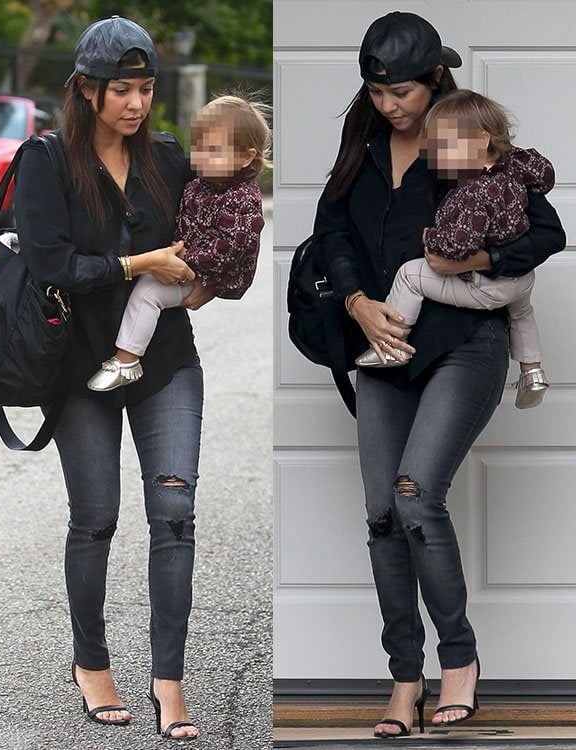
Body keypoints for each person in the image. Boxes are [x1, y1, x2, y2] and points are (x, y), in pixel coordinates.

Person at [311, 11, 565, 738]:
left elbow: (546, 233)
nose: (391, 105)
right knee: (383, 517)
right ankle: (402, 679)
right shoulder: (360, 142)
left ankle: (459, 662)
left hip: (463, 345)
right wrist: (358, 302)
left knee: (417, 495)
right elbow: (331, 231)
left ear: (435, 79)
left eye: (403, 92)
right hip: (384, 352)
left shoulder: (467, 137)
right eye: (377, 91)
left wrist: (473, 264)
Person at [14, 15, 210, 741]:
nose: (137, 103)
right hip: (78, 366)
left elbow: (209, 243)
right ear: (88, 90)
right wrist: (140, 264)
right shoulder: (47, 160)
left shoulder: (167, 155)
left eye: (146, 89)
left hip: (164, 361)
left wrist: (209, 279)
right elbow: (53, 266)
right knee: (96, 519)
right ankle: (90, 664)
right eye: (122, 90)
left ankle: (169, 680)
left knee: (175, 517)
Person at [355, 89, 554, 409]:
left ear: (482, 141)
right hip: (521, 279)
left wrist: (431, 239)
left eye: (446, 148)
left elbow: (459, 244)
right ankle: (532, 371)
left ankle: (393, 345)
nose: (438, 158)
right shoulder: (515, 167)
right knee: (523, 313)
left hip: (487, 286)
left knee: (410, 274)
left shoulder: (472, 193)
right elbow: (544, 174)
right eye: (435, 148)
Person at [87, 94, 269, 391]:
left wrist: (186, 261)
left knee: (148, 293)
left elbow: (232, 246)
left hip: (206, 271)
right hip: (189, 262)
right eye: (197, 147)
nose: (200, 158)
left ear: (246, 156)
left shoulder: (242, 199)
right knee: (145, 285)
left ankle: (127, 359)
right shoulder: (202, 181)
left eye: (213, 150)